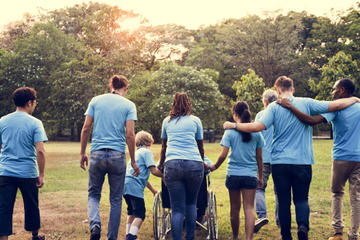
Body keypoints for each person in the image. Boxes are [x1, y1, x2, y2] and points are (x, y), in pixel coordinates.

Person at [222, 76, 360, 240]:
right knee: (302, 199)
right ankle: (302, 227)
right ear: (292, 89)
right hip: (302, 162)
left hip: (280, 162)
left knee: (284, 201)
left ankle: (286, 235)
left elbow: (257, 127)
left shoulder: (273, 107)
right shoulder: (307, 102)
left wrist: (234, 125)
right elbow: (336, 105)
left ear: (277, 90)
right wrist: (355, 99)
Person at [277, 78, 360, 240]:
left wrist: (291, 107)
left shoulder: (336, 108)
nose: (332, 92)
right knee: (356, 197)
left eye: (335, 89)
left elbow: (311, 121)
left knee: (337, 193)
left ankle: (338, 233)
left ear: (342, 90)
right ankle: (354, 234)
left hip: (341, 157)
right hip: (359, 157)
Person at [80, 75, 140, 240]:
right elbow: (130, 134)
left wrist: (82, 153)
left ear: (111, 86)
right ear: (125, 88)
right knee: (115, 199)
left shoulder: (96, 100)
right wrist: (133, 161)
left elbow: (86, 128)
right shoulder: (129, 105)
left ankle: (95, 224)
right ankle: (111, 237)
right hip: (117, 155)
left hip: (97, 153)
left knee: (93, 194)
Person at [210, 101, 264, 240]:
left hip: (233, 174)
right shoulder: (256, 133)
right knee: (249, 208)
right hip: (250, 175)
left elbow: (223, 154)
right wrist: (260, 176)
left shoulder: (229, 132)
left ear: (235, 114)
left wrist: (215, 166)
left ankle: (235, 237)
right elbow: (259, 158)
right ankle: (248, 238)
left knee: (235, 209)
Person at [0, 87, 47, 240]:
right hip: (27, 172)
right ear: (29, 103)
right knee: (31, 205)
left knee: (4, 208)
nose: (35, 105)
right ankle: (35, 235)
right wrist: (41, 174)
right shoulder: (35, 123)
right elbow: (40, 151)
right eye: (34, 102)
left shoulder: (2, 121)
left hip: (5, 172)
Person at [158, 92, 205, 240]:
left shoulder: (167, 121)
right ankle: (190, 237)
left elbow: (164, 147)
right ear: (188, 103)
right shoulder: (195, 120)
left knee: (177, 209)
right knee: (191, 204)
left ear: (174, 103)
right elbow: (200, 146)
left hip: (172, 165)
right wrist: (202, 162)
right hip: (194, 164)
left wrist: (160, 163)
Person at [123, 130, 163, 240]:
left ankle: (128, 234)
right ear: (149, 142)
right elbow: (153, 170)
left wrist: (153, 191)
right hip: (134, 186)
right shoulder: (146, 152)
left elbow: (143, 178)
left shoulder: (135, 153)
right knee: (140, 214)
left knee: (131, 211)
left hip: (125, 185)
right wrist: (165, 176)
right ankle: (131, 237)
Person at [254, 89, 280, 233]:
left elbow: (256, 136)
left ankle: (262, 215)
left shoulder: (260, 115)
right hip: (278, 158)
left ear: (265, 101)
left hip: (263, 157)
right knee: (279, 190)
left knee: (259, 187)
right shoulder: (281, 115)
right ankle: (280, 220)